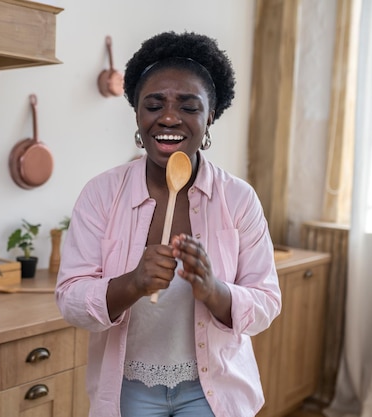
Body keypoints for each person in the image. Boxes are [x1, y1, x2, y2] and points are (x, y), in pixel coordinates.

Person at [55, 31, 281, 417]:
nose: (170, 117)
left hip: (213, 390)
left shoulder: (239, 198)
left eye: (189, 107)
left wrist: (213, 291)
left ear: (210, 116)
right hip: (127, 390)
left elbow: (266, 303)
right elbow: (70, 300)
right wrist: (133, 283)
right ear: (138, 115)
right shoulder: (100, 194)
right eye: (154, 104)